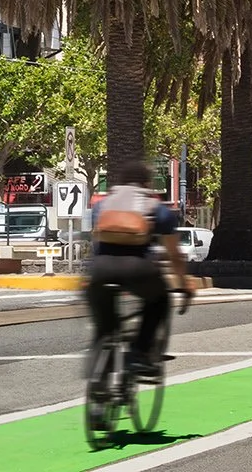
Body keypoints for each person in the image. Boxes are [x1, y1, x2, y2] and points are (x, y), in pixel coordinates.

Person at [84, 157, 193, 382]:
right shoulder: (155, 208)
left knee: (105, 324)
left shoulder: (102, 205)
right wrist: (184, 284)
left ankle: (99, 381)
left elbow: (95, 242)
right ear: (146, 183)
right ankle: (140, 354)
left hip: (100, 269)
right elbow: (174, 255)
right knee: (160, 301)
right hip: (138, 269)